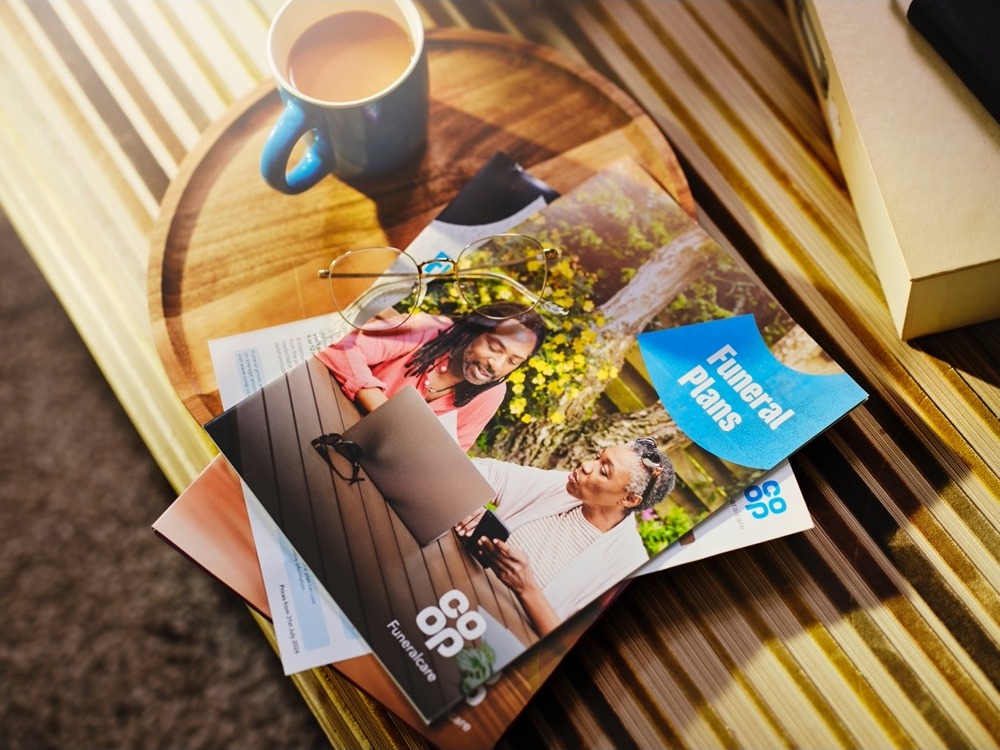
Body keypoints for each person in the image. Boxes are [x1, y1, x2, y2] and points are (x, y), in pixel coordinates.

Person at [455, 438, 676, 637]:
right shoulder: (564, 487)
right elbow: (486, 470)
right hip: (457, 593)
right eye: (598, 457)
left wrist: (526, 587)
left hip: (497, 640)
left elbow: (572, 647)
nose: (587, 465)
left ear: (629, 499)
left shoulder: (628, 566)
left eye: (604, 471)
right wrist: (473, 502)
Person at [316, 303, 548, 452]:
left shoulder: (493, 391)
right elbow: (340, 346)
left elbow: (452, 454)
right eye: (494, 347)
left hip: (365, 457)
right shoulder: (431, 330)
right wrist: (381, 408)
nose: (496, 365)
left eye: (513, 361)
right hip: (322, 414)